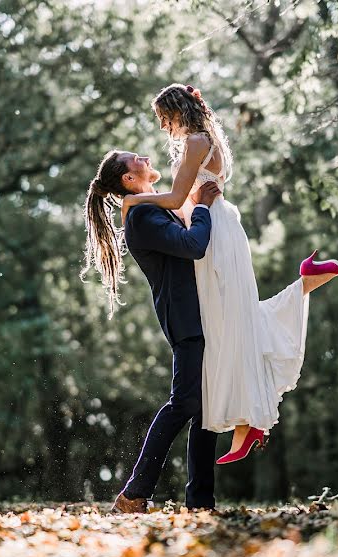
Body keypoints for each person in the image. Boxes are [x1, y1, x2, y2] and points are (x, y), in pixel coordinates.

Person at [122, 83, 338, 465]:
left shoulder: (196, 141)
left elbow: (179, 200)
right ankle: (249, 422)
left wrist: (134, 199)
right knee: (235, 324)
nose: (164, 127)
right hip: (220, 227)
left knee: (229, 326)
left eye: (164, 118)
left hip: (212, 231)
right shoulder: (205, 137)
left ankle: (250, 421)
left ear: (176, 111)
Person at [81, 148, 222, 512]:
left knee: (204, 407)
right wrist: (202, 207)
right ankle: (134, 493)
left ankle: (200, 501)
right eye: (137, 158)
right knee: (185, 403)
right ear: (129, 179)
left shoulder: (152, 209)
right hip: (185, 319)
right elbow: (194, 246)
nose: (145, 157)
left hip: (198, 315)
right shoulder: (142, 215)